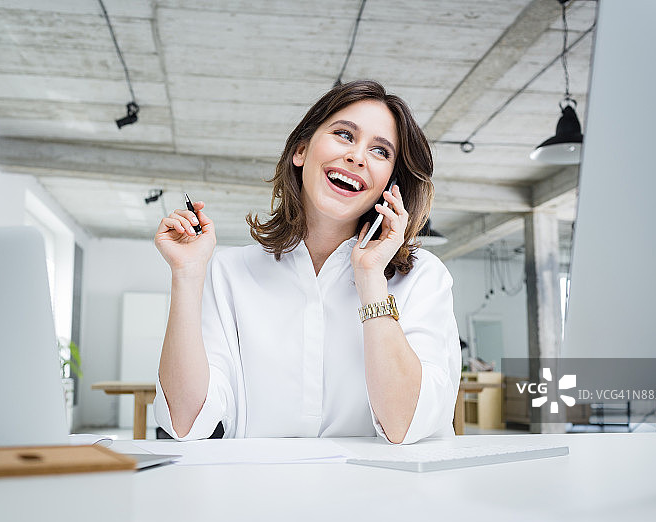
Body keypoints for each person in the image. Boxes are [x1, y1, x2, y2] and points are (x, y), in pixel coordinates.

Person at [153, 80, 460, 444]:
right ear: (301, 150)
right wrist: (187, 275)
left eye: (380, 151)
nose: (357, 156)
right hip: (261, 481)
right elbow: (185, 422)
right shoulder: (230, 272)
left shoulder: (424, 277)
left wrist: (371, 277)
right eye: (344, 135)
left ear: (389, 185)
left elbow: (403, 424)